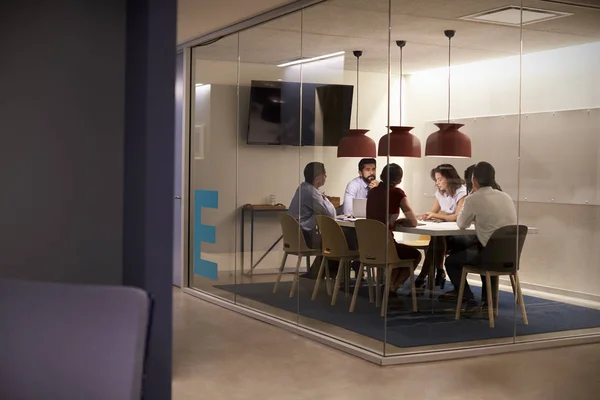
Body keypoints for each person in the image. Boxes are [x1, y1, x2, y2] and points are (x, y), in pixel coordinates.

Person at [440, 162, 517, 309]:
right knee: (479, 247)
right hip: (509, 256)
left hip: (488, 256)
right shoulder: (506, 196)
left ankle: (468, 298)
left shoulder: (474, 198)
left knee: (451, 261)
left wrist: (470, 198)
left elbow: (461, 224)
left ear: (474, 180)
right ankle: (488, 301)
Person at [366, 164, 422, 301]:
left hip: (370, 246)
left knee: (397, 252)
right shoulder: (397, 193)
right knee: (415, 255)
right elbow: (413, 221)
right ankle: (393, 287)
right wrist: (401, 221)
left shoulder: (372, 192)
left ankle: (390, 287)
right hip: (385, 245)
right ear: (399, 180)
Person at [414, 164, 468, 291]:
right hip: (444, 234)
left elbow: (457, 217)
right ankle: (437, 270)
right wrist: (423, 216)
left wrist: (439, 216)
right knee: (436, 240)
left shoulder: (462, 192)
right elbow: (433, 212)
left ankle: (424, 276)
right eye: (436, 180)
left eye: (439, 179)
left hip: (459, 234)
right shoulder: (440, 193)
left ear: (449, 178)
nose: (437, 183)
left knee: (435, 243)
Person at [288, 162, 337, 277]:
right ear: (317, 178)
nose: (326, 176)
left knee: (333, 240)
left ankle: (318, 273)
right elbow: (331, 214)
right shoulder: (312, 193)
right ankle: (331, 275)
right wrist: (325, 198)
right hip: (305, 237)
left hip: (296, 235)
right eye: (324, 174)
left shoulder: (303, 187)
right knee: (338, 242)